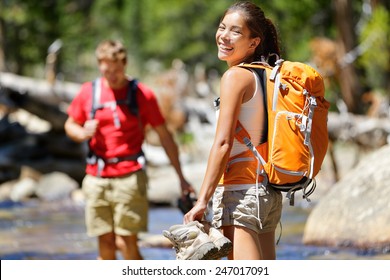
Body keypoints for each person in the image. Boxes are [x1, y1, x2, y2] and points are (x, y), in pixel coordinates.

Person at [64, 40, 194, 260]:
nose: (112, 75)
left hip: (130, 177)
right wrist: (83, 132)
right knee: (105, 242)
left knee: (126, 244)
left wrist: (181, 177)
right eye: (107, 70)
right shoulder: (89, 92)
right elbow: (70, 124)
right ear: (99, 65)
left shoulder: (142, 94)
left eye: (117, 70)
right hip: (97, 177)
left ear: (124, 65)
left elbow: (165, 136)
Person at [183, 1, 283, 260]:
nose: (224, 36)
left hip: (242, 192)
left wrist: (202, 200)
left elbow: (223, 143)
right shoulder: (268, 74)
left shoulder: (235, 77)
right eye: (222, 27)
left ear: (253, 42)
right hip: (267, 191)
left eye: (235, 31)